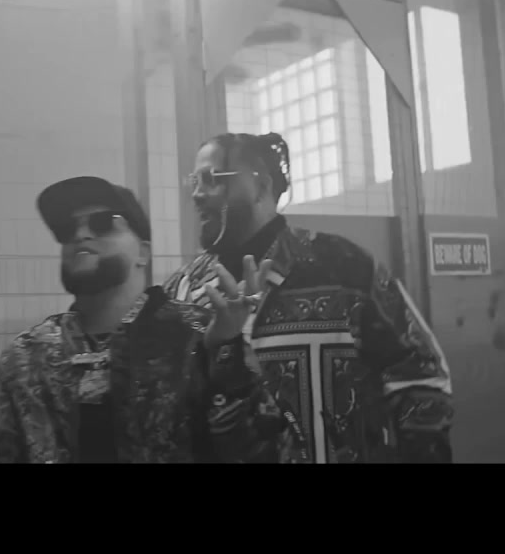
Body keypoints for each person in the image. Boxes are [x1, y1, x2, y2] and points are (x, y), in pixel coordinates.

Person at [0, 176, 283, 463]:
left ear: (143, 252)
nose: (81, 233)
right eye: (67, 230)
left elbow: (258, 452)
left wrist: (226, 353)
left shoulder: (196, 335)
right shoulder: (28, 355)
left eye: (102, 222)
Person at [164, 132, 454, 464]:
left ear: (260, 186)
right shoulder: (183, 290)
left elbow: (423, 373)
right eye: (194, 182)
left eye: (212, 178)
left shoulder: (346, 269)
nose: (198, 194)